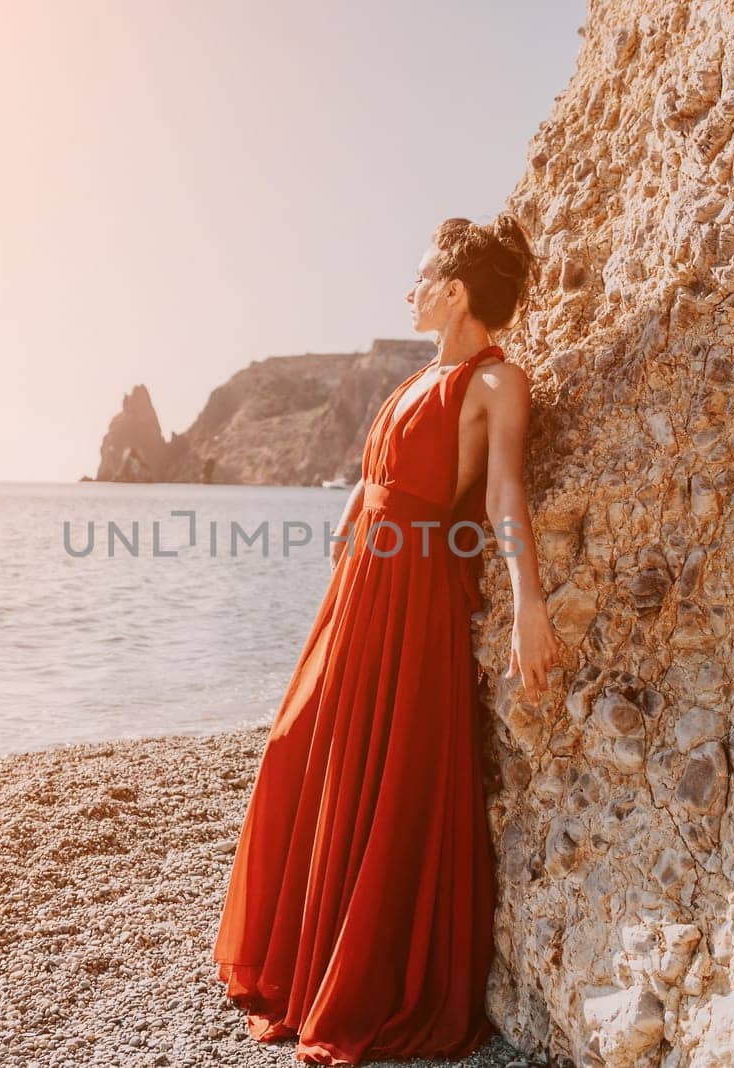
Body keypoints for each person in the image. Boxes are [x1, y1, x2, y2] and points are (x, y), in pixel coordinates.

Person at [211, 212, 562, 1065]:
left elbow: (503, 499)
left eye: (419, 279)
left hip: (416, 596)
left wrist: (528, 604)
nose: (406, 292)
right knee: (305, 746)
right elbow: (374, 478)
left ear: (453, 291)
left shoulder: (494, 383)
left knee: (390, 768)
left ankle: (359, 976)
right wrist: (346, 534)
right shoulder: (411, 380)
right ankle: (301, 958)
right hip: (361, 588)